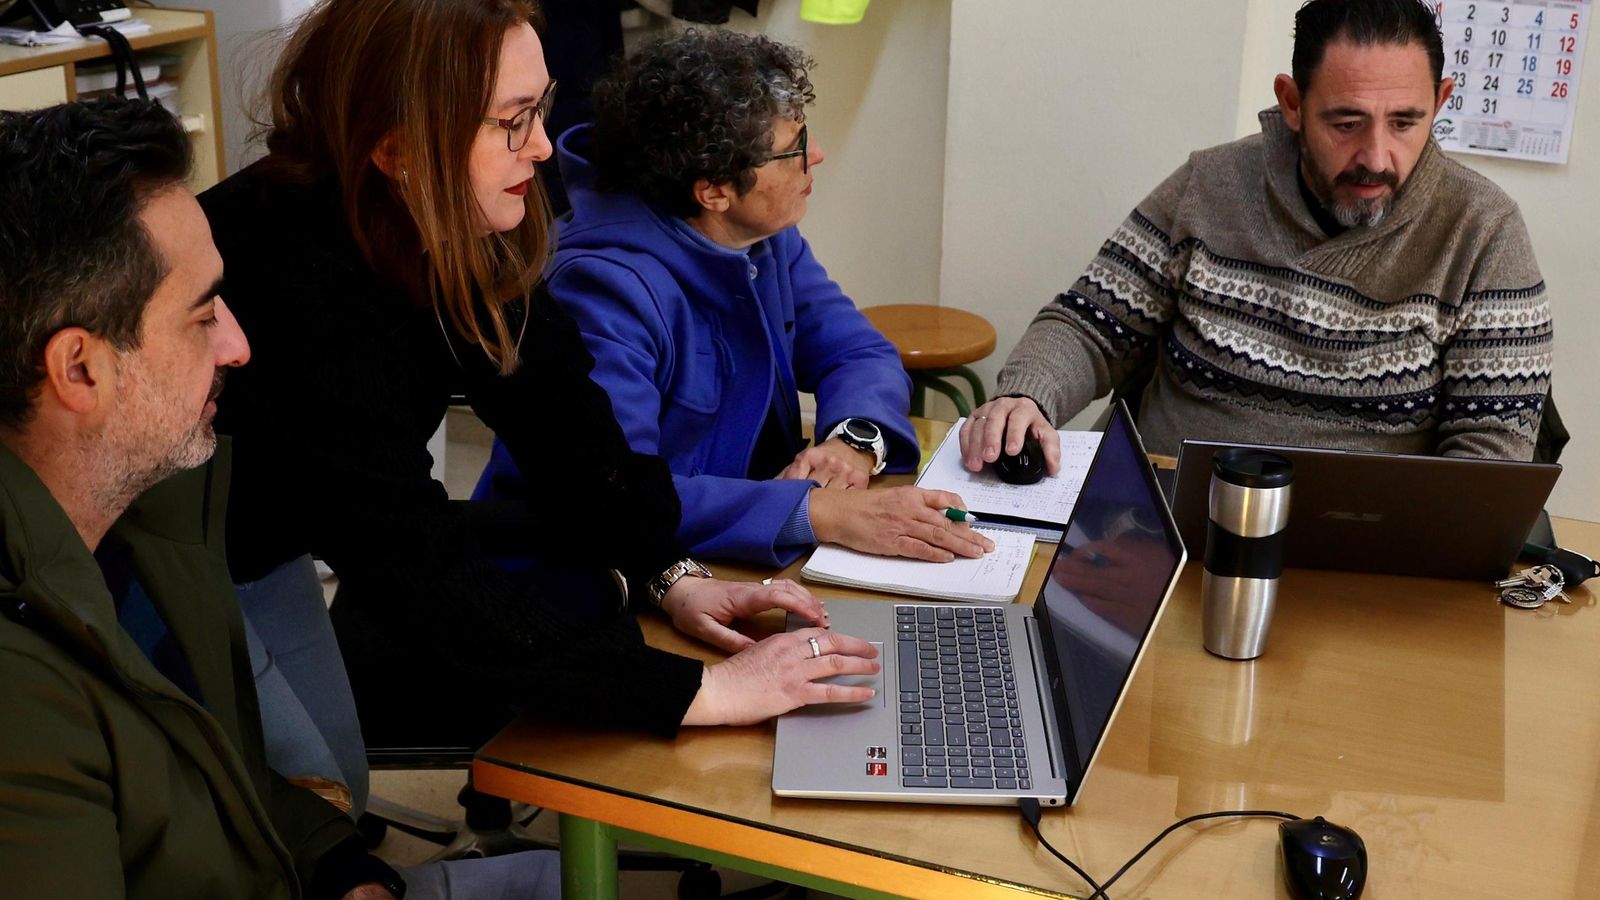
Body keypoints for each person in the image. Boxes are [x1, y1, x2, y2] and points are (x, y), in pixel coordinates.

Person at [201, 0, 879, 765]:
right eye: (513, 121)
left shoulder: (458, 208)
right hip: (177, 559)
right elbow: (413, 562)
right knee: (298, 800)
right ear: (400, 149)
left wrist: (671, 573)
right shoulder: (296, 285)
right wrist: (701, 692)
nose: (545, 147)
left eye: (543, 109)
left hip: (280, 538)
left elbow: (573, 434)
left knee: (328, 785)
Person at [0, 98, 421, 900]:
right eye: (203, 315)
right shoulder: (19, 697)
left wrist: (340, 867)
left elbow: (221, 784)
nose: (237, 345)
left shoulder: (139, 528)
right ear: (80, 369)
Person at [962, 0, 1553, 477]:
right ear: (1293, 103)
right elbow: (1090, 325)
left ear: (1440, 102)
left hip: (1365, 556)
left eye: (1405, 122)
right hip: (1166, 522)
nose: (1376, 156)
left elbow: (1490, 455)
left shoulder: (1482, 229)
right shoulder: (1210, 185)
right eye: (1346, 123)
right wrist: (1027, 399)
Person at [476, 28, 992, 567]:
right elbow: (616, 495)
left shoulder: (764, 239)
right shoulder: (604, 289)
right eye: (791, 149)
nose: (815, 155)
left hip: (732, 554)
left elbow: (857, 351)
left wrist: (853, 441)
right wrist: (820, 512)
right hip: (607, 576)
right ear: (715, 191)